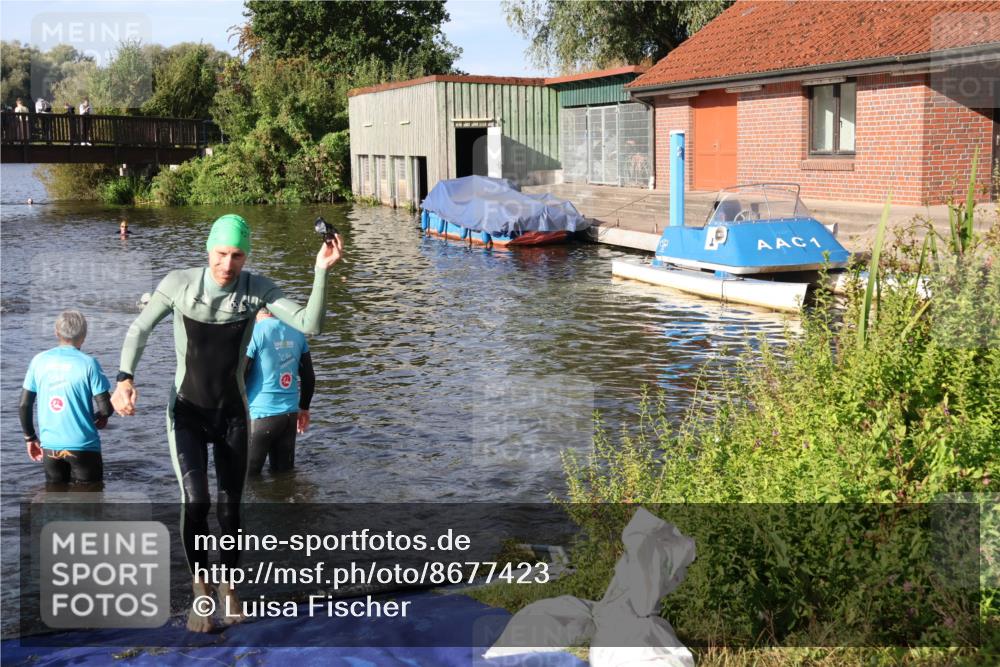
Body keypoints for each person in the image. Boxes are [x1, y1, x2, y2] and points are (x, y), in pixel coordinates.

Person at [111, 213, 342, 632]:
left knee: (231, 510)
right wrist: (124, 379)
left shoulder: (256, 290)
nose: (228, 264)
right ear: (208, 250)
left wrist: (319, 271)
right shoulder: (179, 285)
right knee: (197, 501)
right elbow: (139, 329)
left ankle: (229, 588)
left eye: (237, 255)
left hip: (234, 413)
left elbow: (311, 324)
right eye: (221, 254)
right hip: (186, 412)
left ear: (246, 255)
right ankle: (202, 591)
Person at [19, 311, 112, 488]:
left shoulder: (38, 361)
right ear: (84, 335)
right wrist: (99, 416)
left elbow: (24, 404)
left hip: (50, 449)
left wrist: (30, 438)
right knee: (89, 505)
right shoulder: (89, 363)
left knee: (55, 503)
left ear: (56, 332)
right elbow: (106, 408)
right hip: (84, 448)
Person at [245, 307, 315, 475]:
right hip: (289, 418)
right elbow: (309, 377)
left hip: (260, 416)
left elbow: (242, 372)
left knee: (247, 481)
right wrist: (304, 408)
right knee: (284, 478)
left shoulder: (254, 332)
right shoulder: (297, 332)